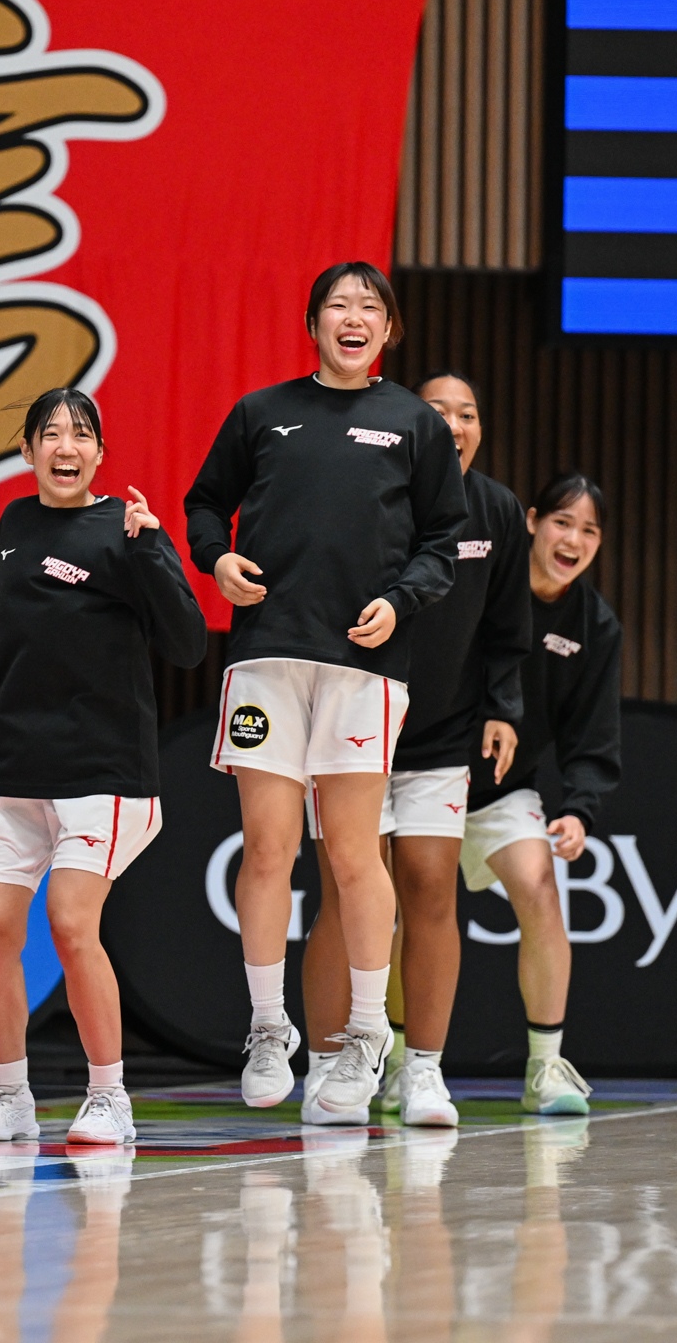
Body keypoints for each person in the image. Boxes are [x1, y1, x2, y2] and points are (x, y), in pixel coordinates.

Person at [183, 261, 465, 1126]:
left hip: (362, 665)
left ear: (389, 330)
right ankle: (270, 1029)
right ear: (313, 325)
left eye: (370, 307)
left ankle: (366, 1034)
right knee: (268, 848)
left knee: (351, 855)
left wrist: (402, 600)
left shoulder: (415, 423)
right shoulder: (261, 412)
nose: (354, 316)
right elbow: (204, 505)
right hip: (267, 655)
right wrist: (217, 559)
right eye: (338, 305)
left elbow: (444, 541)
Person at [0, 389, 205, 1147]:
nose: (67, 446)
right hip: (9, 768)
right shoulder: (17, 521)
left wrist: (152, 551)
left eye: (82, 434)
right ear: (28, 450)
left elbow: (189, 643)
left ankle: (109, 1097)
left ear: (100, 453)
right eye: (52, 434)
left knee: (70, 921)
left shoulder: (126, 529)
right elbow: (5, 597)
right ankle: (11, 1097)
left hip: (104, 771)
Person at [296, 371, 528, 1130]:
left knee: (431, 889)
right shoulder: (367, 493)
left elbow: (508, 627)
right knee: (346, 893)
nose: (455, 424)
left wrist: (503, 709)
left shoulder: (495, 510)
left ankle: (421, 1071)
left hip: (442, 734)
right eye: (438, 411)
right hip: (352, 727)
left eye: (469, 413)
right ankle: (328, 1067)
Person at [463, 472, 622, 1117]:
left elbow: (592, 731)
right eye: (562, 522)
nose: (573, 540)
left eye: (589, 530)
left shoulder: (594, 626)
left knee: (540, 890)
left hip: (506, 793)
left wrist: (580, 808)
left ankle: (545, 1067)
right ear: (531, 522)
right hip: (428, 776)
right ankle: (396, 1064)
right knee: (408, 909)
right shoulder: (483, 585)